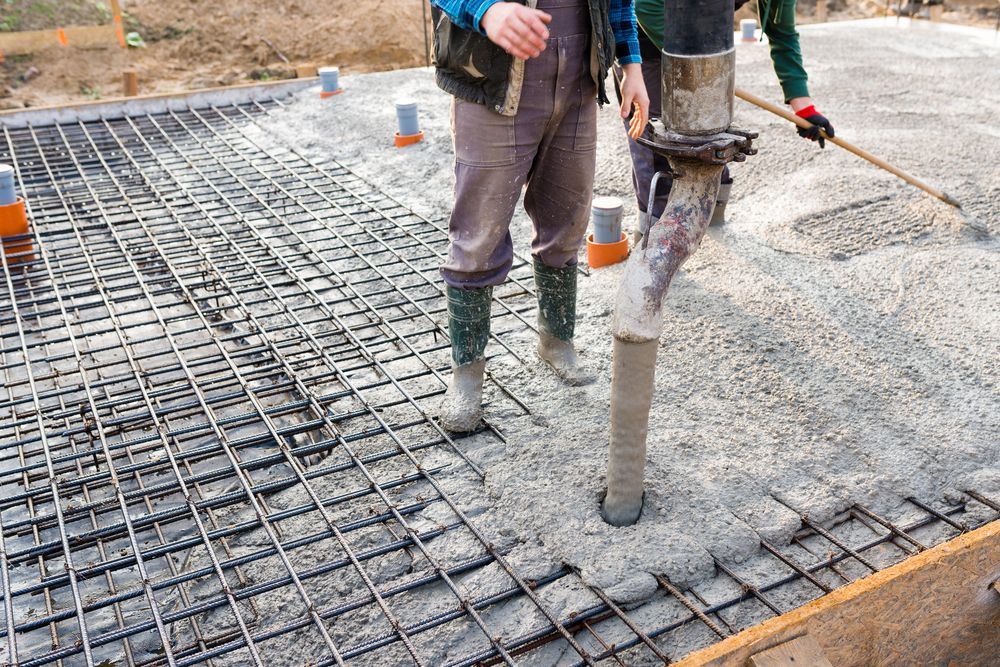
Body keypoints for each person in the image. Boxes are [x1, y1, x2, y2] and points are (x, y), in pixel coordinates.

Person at [431, 0, 650, 432]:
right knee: (478, 236)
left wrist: (632, 67)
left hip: (576, 85)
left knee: (567, 219)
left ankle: (556, 341)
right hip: (492, 81)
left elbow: (620, 2)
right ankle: (467, 375)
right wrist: (487, 10)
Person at [619, 0, 835, 231]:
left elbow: (782, 32)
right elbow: (645, 6)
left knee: (711, 130)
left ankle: (711, 219)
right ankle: (653, 243)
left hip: (706, 43)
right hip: (645, 43)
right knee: (657, 145)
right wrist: (697, 63)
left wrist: (802, 106)